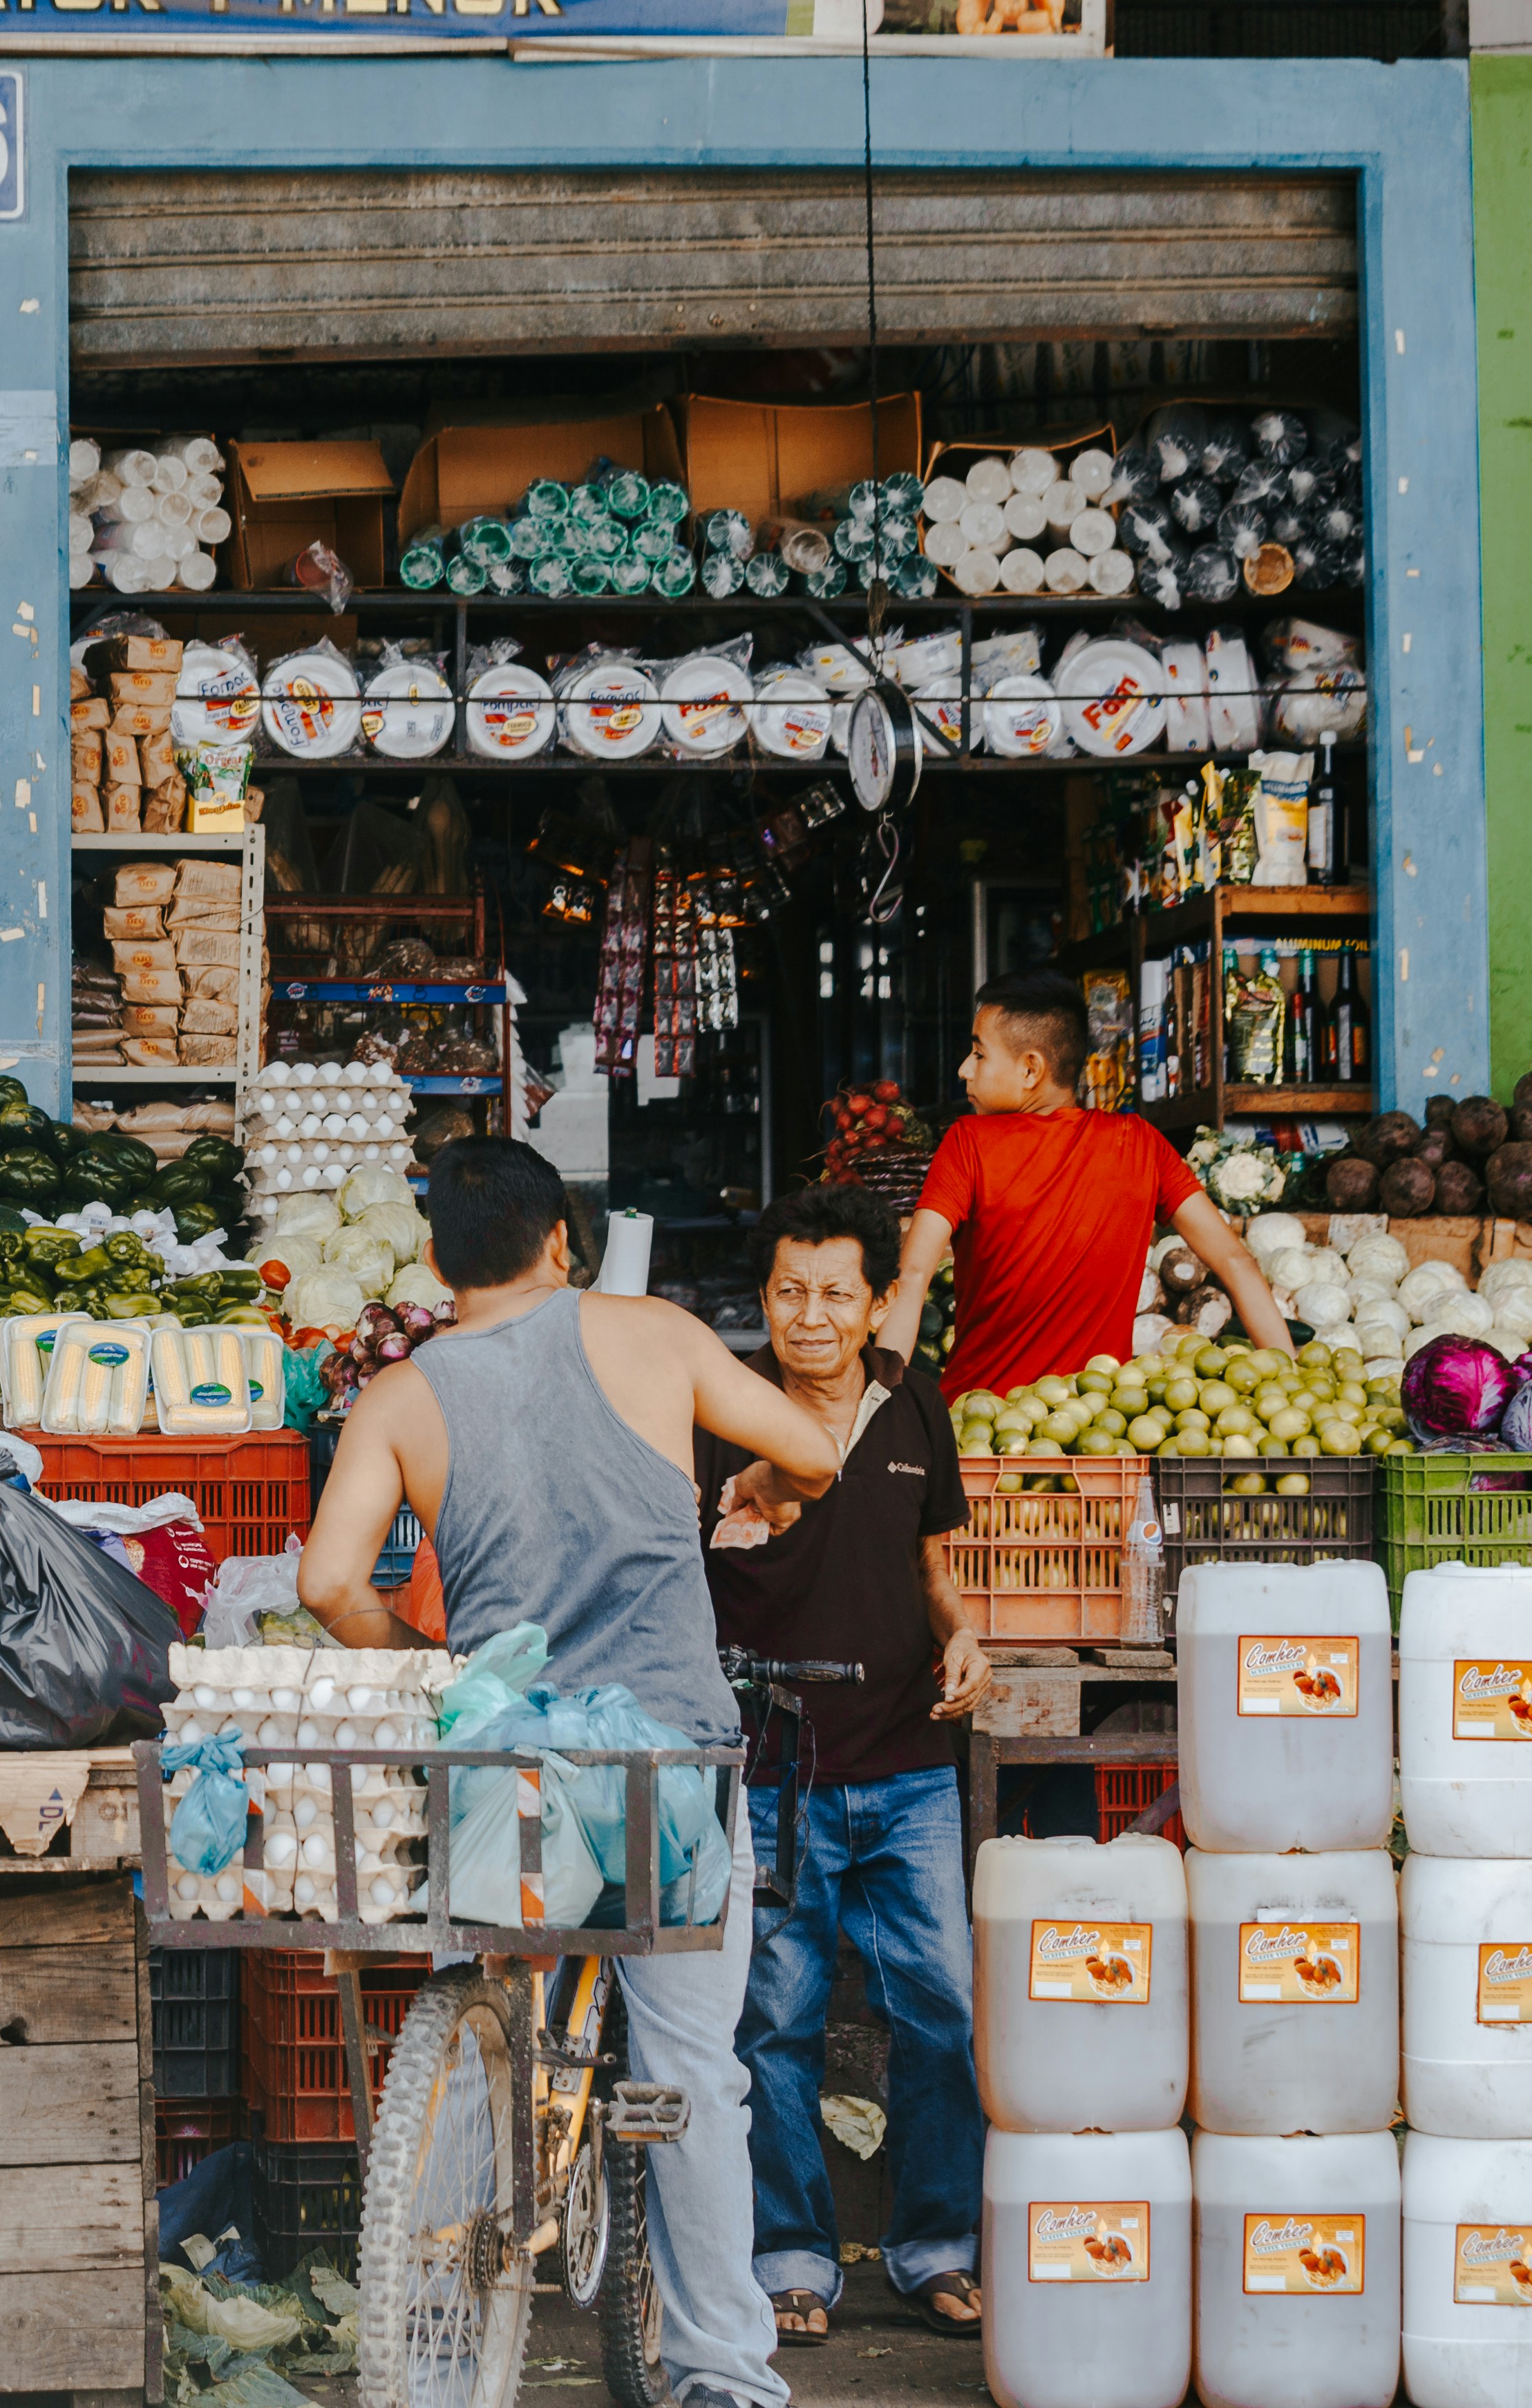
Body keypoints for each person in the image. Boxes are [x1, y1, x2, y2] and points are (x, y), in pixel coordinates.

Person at [300, 1139, 844, 2408]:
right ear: (560, 1241)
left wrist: (438, 1662)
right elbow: (812, 1451)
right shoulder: (650, 1334)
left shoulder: (401, 1392)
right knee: (690, 2074)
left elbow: (329, 1584)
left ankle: (455, 2253)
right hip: (660, 1767)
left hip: (508, 1768)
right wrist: (761, 1477)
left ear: (436, 1261)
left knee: (494, 1986)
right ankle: (724, 2374)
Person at [698, 1186, 990, 2349]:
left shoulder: (915, 1403)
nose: (807, 1315)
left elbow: (928, 1566)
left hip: (909, 1762)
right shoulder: (721, 1411)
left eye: (832, 1293)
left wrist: (961, 1628)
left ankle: (932, 2247)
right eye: (786, 1291)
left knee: (940, 2013)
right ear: (760, 1299)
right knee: (774, 2022)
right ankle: (790, 2257)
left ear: (876, 1301)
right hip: (773, 1770)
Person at [878, 968, 1292, 1398]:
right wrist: (1291, 1387)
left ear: (1031, 1070)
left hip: (978, 1426)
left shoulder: (968, 1143)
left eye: (979, 1054)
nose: (965, 1069)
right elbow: (1236, 1264)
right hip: (1100, 1429)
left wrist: (878, 1407)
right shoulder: (1140, 1144)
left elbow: (912, 1276)